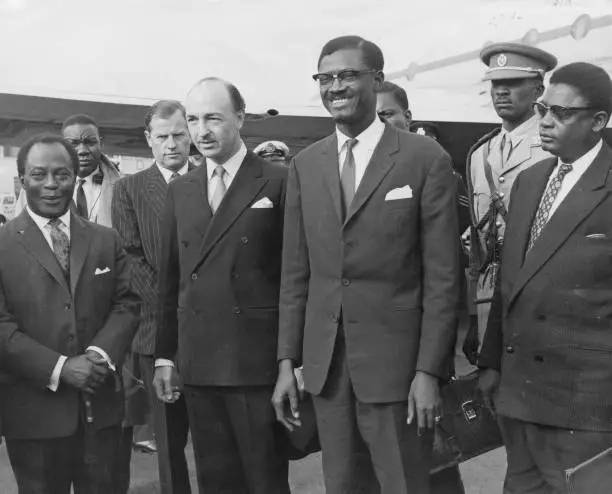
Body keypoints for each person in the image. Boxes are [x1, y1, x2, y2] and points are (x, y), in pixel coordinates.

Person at [272, 35, 461, 494]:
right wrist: (285, 363)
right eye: (325, 77)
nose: (335, 86)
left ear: (377, 80)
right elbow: (296, 275)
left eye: (347, 75)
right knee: (342, 486)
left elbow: (443, 279)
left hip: (397, 373)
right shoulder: (306, 165)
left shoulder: (424, 158)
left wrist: (429, 372)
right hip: (328, 372)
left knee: (405, 484)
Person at [478, 62, 612, 493]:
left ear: (598, 121)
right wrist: (491, 361)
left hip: (586, 408)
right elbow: (510, 284)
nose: (546, 121)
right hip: (519, 398)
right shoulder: (532, 181)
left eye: (562, 113)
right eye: (543, 108)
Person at [154, 78, 290, 494]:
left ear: (240, 118)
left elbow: (294, 279)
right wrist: (164, 356)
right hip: (200, 365)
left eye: (213, 117)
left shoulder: (278, 181)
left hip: (255, 363)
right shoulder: (181, 190)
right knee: (216, 482)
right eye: (193, 119)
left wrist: (291, 361)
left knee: (264, 481)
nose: (201, 131)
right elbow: (170, 279)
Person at [0, 133, 140, 493]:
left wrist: (98, 355)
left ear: (73, 177)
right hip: (33, 414)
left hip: (101, 408)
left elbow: (128, 302)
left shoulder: (106, 240)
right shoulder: (3, 246)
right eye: (38, 174)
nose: (50, 185)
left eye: (61, 174)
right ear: (23, 179)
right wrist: (61, 368)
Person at [380, 111, 466, 494]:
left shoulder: (431, 165)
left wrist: (432, 368)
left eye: (388, 114)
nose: (380, 122)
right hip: (376, 352)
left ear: (408, 116)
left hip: (423, 347)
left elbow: (444, 275)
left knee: (434, 458)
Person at [112, 100, 193, 494]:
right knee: (167, 440)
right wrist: (178, 304)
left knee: (220, 436)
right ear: (149, 140)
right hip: (156, 332)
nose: (172, 144)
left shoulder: (216, 180)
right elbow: (131, 257)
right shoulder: (129, 189)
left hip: (215, 329)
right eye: (162, 137)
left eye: (179, 134)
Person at [463, 43, 557, 364]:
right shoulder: (480, 154)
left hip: (540, 303)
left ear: (538, 89)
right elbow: (478, 250)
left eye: (513, 84)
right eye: (496, 84)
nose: (501, 92)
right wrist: (475, 318)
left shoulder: (554, 148)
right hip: (489, 301)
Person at [13, 114, 121, 227]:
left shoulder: (122, 187)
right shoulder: (33, 187)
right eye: (73, 144)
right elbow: (21, 231)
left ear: (101, 143)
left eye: (90, 142)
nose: (82, 150)